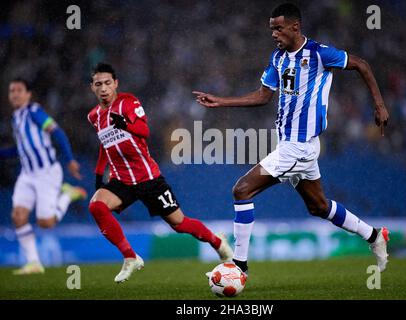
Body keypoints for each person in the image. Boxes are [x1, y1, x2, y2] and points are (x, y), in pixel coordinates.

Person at [193, 3, 390, 275]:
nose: (274, 34)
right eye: (271, 29)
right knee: (319, 206)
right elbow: (263, 96)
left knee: (241, 190)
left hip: (299, 146)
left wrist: (379, 105)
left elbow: (362, 64)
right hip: (291, 145)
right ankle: (374, 235)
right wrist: (221, 101)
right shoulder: (278, 58)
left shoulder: (320, 54)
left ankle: (239, 265)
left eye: (278, 28)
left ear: (295, 27)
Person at [87, 63, 232, 283]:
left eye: (108, 83)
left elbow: (144, 131)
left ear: (115, 84)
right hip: (121, 180)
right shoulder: (94, 116)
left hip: (148, 178)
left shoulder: (128, 102)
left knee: (179, 223)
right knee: (96, 205)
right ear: (93, 88)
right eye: (99, 84)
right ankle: (130, 257)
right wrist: (99, 176)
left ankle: (217, 242)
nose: (104, 88)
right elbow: (104, 145)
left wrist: (125, 124)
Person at [0, 78, 86, 275]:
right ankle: (34, 263)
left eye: (19, 90)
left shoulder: (34, 112)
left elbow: (57, 133)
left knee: (45, 223)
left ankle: (67, 195)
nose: (14, 94)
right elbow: (22, 149)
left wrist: (70, 160)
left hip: (47, 173)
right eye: (11, 90)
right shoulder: (16, 118)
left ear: (28, 94)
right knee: (18, 215)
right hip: (27, 174)